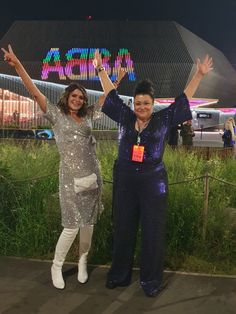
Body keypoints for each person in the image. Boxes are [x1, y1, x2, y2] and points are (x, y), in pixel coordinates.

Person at [93, 50, 213, 297]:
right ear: (133, 104)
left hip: (153, 182)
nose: (142, 107)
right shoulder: (125, 116)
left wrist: (199, 75)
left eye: (146, 103)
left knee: (152, 231)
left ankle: (150, 280)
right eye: (138, 103)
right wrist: (99, 69)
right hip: (125, 180)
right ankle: (119, 275)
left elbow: (183, 99)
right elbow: (111, 94)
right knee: (123, 227)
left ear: (152, 103)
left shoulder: (163, 119)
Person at [2, 44, 103, 289]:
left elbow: (106, 98)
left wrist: (103, 72)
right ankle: (56, 265)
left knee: (88, 226)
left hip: (92, 176)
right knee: (71, 226)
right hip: (70, 179)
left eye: (81, 97)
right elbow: (35, 93)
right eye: (74, 96)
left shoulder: (89, 116)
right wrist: (18, 66)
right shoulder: (57, 116)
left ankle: (82, 260)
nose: (77, 99)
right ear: (67, 97)